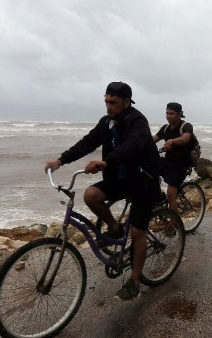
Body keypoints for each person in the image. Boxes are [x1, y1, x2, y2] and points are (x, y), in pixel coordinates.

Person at [45, 81, 160, 301]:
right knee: (90, 195)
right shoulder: (106, 122)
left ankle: (135, 281)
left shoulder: (138, 121)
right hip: (120, 178)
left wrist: (107, 161)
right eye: (106, 101)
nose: (108, 107)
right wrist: (61, 160)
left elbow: (133, 145)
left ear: (126, 102)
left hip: (144, 180)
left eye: (113, 102)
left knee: (137, 232)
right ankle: (115, 227)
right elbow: (87, 142)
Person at [153, 102, 194, 215]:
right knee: (148, 170)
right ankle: (158, 197)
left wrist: (172, 141)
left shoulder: (186, 126)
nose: (168, 116)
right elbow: (154, 139)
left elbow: (185, 139)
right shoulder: (165, 128)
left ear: (179, 114)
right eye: (167, 113)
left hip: (181, 165)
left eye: (171, 113)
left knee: (171, 194)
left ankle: (173, 224)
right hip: (168, 161)